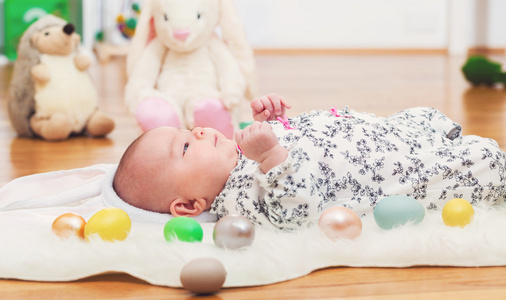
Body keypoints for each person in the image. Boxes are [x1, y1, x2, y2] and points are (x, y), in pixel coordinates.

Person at [113, 94, 506, 230]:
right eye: (184, 147)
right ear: (187, 205)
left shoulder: (237, 154)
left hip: (373, 134)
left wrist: (272, 122)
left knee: (419, 118)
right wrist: (271, 156)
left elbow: (294, 138)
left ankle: (431, 133)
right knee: (485, 160)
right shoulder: (235, 203)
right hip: (389, 169)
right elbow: (293, 212)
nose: (198, 131)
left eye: (188, 129)